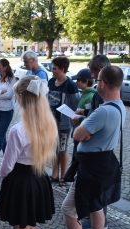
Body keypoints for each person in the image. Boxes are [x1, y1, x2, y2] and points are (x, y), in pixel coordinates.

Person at [52, 66, 126, 229]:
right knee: (96, 205)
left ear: (103, 83)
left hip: (91, 167)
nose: (95, 81)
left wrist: (81, 123)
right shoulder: (120, 106)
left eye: (97, 78)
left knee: (69, 208)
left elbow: (77, 135)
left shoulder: (103, 112)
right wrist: (87, 123)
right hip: (105, 163)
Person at [0, 76, 58, 229]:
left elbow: (7, 166)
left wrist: (4, 176)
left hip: (20, 183)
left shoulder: (18, 130)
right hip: (39, 179)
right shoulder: (49, 125)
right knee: (31, 226)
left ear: (21, 97)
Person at [71, 55, 112, 229]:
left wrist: (82, 121)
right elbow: (95, 114)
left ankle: (99, 222)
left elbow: (99, 117)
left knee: (97, 187)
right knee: (95, 185)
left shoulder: (104, 92)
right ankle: (95, 217)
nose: (94, 77)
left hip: (96, 145)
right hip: (96, 142)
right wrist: (85, 114)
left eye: (95, 73)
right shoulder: (103, 90)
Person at [47, 57, 80, 187]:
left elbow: (76, 105)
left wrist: (72, 118)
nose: (52, 71)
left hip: (64, 124)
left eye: (54, 68)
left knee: (62, 149)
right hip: (52, 123)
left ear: (62, 69)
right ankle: (55, 175)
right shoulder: (51, 82)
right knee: (55, 149)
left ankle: (64, 176)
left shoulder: (70, 85)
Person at [70, 68, 95, 162]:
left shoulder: (90, 96)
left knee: (77, 158)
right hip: (78, 130)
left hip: (82, 133)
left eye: (78, 80)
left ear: (85, 81)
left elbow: (90, 116)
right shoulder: (84, 94)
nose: (76, 82)